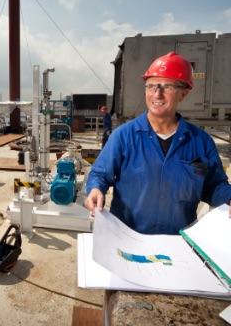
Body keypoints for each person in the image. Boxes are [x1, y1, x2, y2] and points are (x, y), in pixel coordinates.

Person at [85, 52, 231, 235]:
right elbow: (100, 173)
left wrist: (229, 198)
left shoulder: (201, 142)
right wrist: (95, 189)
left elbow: (213, 186)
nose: (157, 94)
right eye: (151, 86)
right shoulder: (123, 136)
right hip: (127, 239)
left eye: (167, 87)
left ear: (183, 93)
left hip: (178, 244)